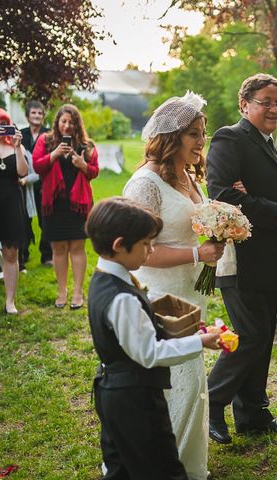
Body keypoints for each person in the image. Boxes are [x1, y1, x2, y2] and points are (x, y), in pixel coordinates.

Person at [123, 92, 225, 480]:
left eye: (203, 133)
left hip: (190, 294)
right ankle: (166, 467)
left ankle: (188, 465)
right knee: (174, 384)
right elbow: (140, 252)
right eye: (194, 134)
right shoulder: (144, 183)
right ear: (171, 137)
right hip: (161, 297)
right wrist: (198, 255)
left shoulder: (187, 175)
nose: (202, 141)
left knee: (191, 383)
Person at [86, 196, 224, 480]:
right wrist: (200, 342)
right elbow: (149, 353)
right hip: (135, 398)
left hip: (114, 391)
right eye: (146, 244)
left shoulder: (105, 278)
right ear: (119, 245)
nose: (150, 251)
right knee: (163, 467)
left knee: (121, 468)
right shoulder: (122, 298)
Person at [205, 73, 277, 445]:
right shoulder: (230, 137)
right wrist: (270, 211)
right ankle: (211, 404)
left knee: (262, 339)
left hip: (269, 259)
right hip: (241, 259)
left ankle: (253, 415)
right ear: (244, 104)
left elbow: (273, 202)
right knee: (249, 336)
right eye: (266, 101)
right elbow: (220, 195)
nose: (274, 109)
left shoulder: (265, 142)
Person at [32, 104, 99, 310]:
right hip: (54, 204)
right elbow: (37, 165)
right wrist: (54, 154)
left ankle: (78, 293)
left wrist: (82, 164)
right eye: (63, 121)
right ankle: (62, 292)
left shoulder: (86, 145)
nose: (67, 126)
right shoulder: (46, 141)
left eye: (71, 122)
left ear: (77, 123)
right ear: (57, 122)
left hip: (78, 204)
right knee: (58, 249)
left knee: (77, 248)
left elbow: (94, 171)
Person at [0, 109, 29, 314]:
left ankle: (10, 301)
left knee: (10, 253)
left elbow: (23, 172)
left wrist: (17, 147)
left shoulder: (17, 146)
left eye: (3, 122)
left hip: (11, 203)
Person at [20, 101, 51, 266]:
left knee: (44, 220)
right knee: (24, 221)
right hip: (23, 185)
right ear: (27, 116)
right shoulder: (20, 135)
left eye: (40, 113)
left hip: (44, 185)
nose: (37, 116)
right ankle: (23, 254)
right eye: (33, 113)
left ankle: (47, 256)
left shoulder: (49, 135)